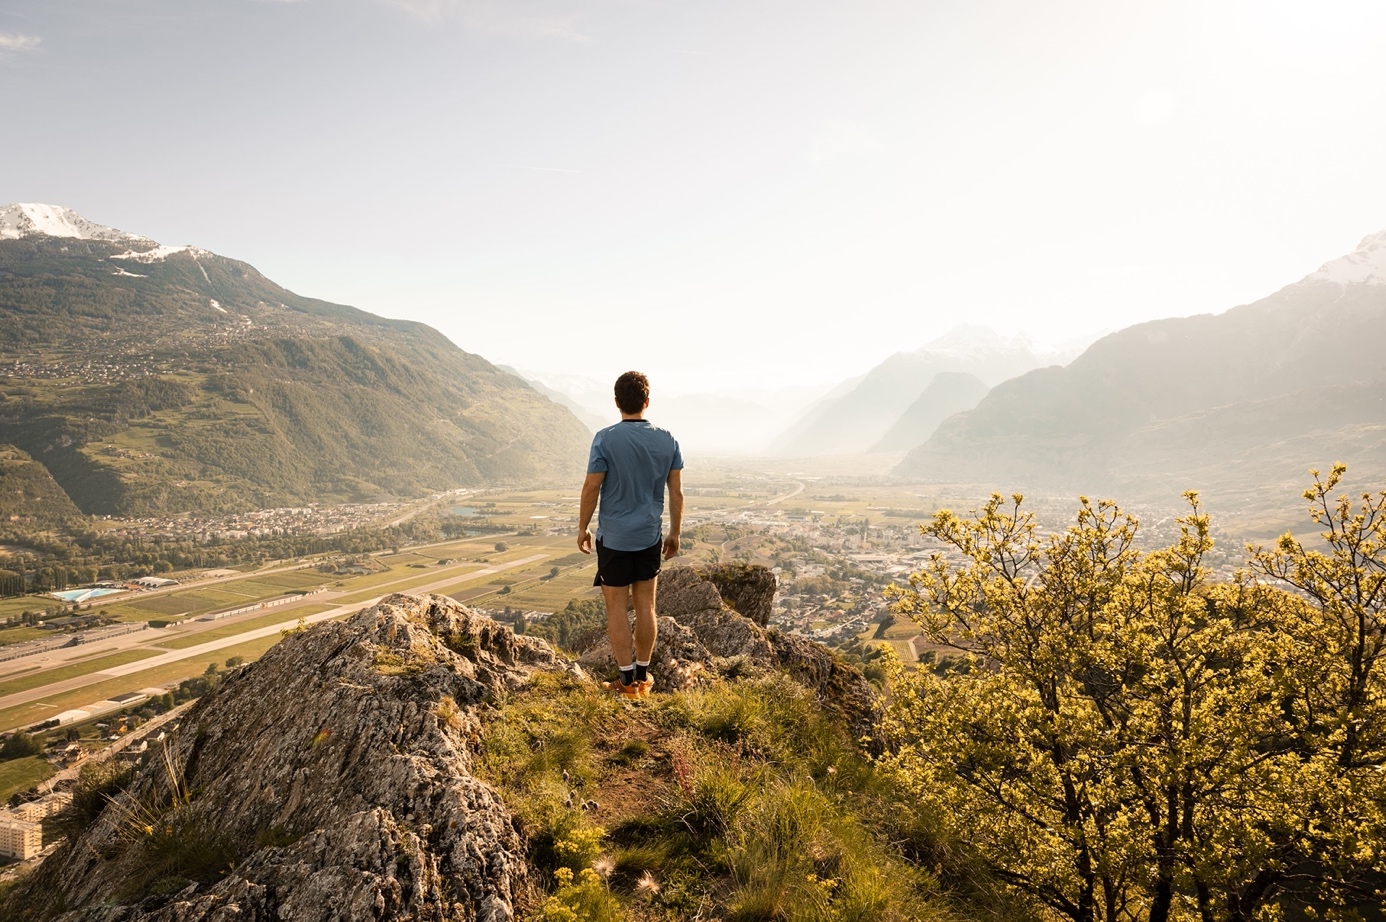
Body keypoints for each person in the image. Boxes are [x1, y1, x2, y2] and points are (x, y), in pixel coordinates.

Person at [577, 371, 683, 698]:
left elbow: (592, 486)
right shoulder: (667, 440)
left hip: (614, 539)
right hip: (649, 536)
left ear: (616, 403)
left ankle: (625, 684)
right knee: (646, 607)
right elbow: (676, 494)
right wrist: (674, 533)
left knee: (616, 610)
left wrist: (582, 527)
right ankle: (643, 678)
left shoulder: (605, 439)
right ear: (646, 402)